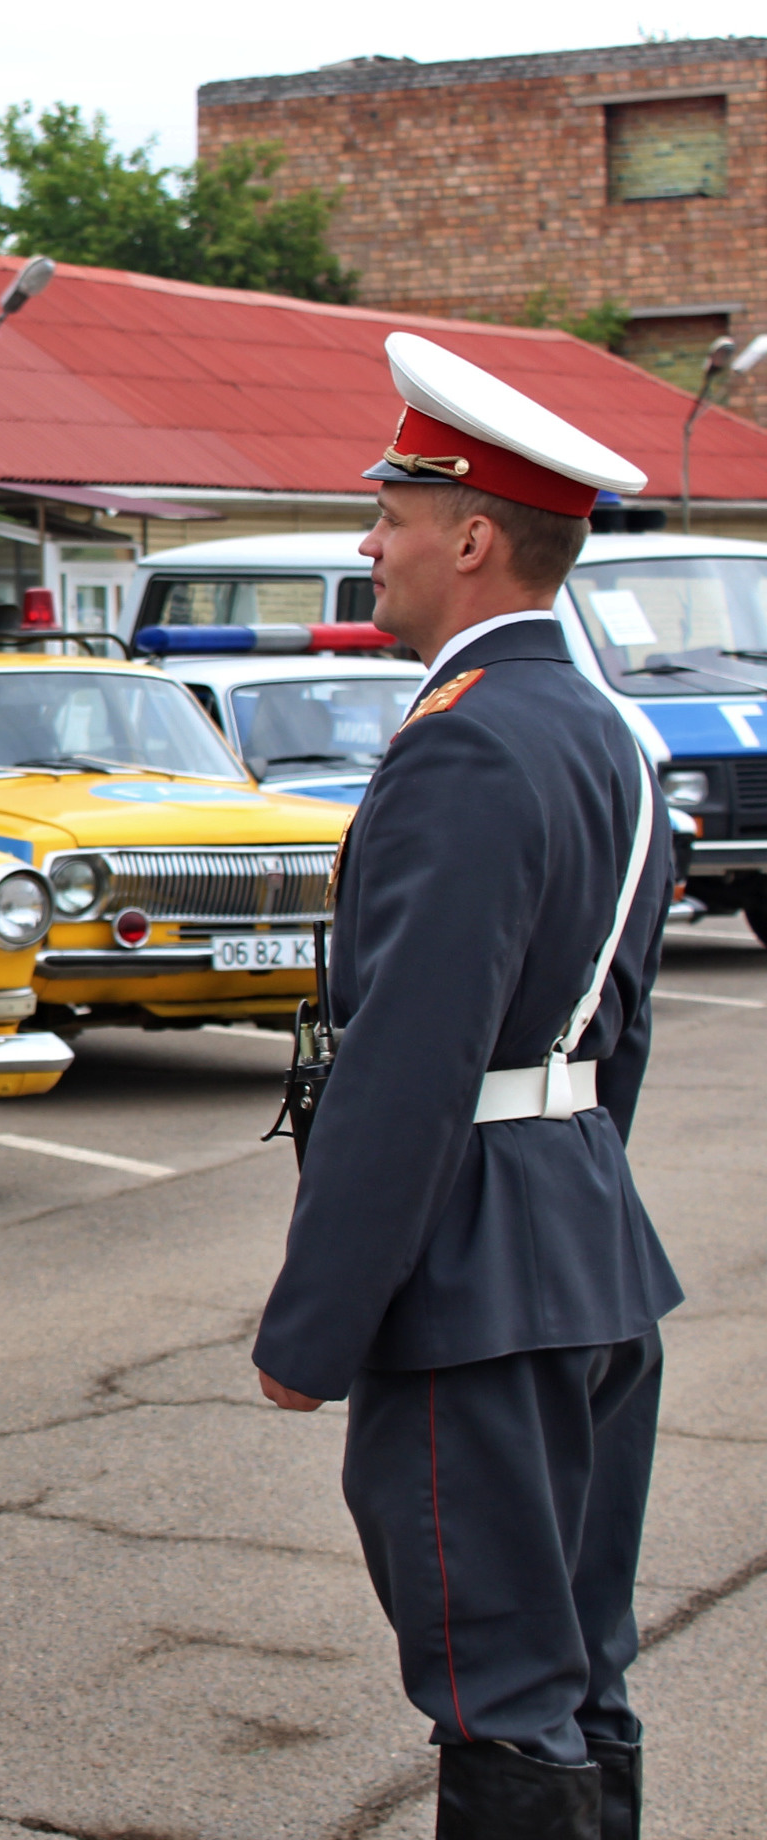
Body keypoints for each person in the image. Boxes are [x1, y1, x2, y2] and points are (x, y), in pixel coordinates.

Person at [254, 332, 682, 1840]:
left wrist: (316, 1323)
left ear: (475, 539)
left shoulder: (469, 744)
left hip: (478, 1284)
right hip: (581, 1245)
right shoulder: (605, 733)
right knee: (577, 1663)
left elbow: (410, 1066)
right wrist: (565, 1195)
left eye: (395, 517)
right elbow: (612, 1034)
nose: (371, 545)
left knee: (499, 1685)